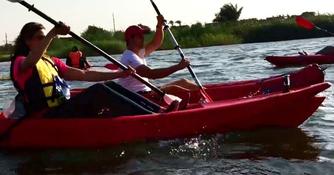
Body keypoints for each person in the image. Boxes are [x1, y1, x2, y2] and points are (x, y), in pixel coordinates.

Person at [10, 22, 169, 119]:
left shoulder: (52, 62)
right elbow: (31, 61)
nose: (44, 40)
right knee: (99, 90)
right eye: (40, 37)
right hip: (44, 116)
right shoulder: (21, 62)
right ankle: (152, 118)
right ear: (27, 41)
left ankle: (158, 110)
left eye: (44, 37)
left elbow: (84, 74)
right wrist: (52, 33)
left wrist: (119, 74)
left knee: (110, 85)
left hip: (61, 111)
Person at [119, 16, 203, 104]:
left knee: (184, 82)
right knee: (174, 89)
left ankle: (209, 93)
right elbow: (152, 74)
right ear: (131, 39)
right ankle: (200, 100)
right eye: (140, 36)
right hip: (140, 97)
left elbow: (156, 43)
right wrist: (178, 67)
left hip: (148, 91)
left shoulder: (139, 53)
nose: (143, 38)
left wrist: (159, 25)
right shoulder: (129, 57)